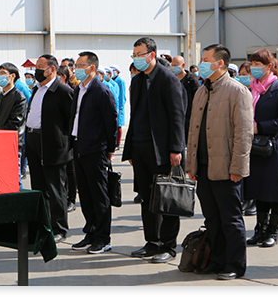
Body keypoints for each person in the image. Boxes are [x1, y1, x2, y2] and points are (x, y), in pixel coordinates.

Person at [186, 44, 254, 280]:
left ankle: (234, 264)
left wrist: (238, 167)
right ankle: (216, 259)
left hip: (226, 167)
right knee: (212, 218)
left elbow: (244, 134)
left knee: (230, 219)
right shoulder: (201, 91)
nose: (202, 63)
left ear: (220, 63)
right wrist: (191, 164)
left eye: (206, 59)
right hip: (204, 167)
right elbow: (193, 131)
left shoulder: (237, 91)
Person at [122, 37, 187, 263]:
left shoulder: (168, 79)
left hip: (162, 150)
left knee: (166, 199)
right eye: (134, 55)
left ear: (151, 55)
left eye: (139, 54)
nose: (136, 59)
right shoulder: (138, 80)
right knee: (147, 199)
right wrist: (130, 149)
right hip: (140, 148)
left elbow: (177, 117)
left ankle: (168, 246)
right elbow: (135, 116)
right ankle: (152, 242)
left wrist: (176, 148)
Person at [245, 49, 278, 248]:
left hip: (272, 147)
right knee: (260, 188)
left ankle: (273, 231)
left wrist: (260, 127)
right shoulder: (252, 88)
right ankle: (260, 229)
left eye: (258, 64)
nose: (254, 68)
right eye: (252, 64)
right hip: (255, 147)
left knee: (276, 189)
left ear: (269, 66)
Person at [70, 52, 118, 254]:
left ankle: (103, 238)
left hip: (95, 149)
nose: (76, 70)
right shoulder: (78, 90)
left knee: (99, 195)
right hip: (78, 146)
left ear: (92, 68)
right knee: (86, 194)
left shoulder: (101, 91)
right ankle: (90, 232)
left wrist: (110, 149)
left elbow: (111, 122)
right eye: (76, 66)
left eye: (81, 66)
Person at [25, 54, 73, 242]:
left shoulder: (62, 91)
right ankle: (43, 225)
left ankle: (59, 227)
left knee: (55, 188)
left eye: (40, 67)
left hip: (53, 145)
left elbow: (71, 121)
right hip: (34, 140)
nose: (36, 71)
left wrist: (65, 144)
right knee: (39, 188)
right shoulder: (36, 90)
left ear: (52, 69)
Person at [0, 62, 27, 186]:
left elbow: (15, 123)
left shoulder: (19, 97)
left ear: (12, 76)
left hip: (10, 143)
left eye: (3, 73)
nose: (0, 76)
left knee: (14, 178)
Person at [171, 55, 201, 140]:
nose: (173, 68)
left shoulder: (192, 81)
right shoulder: (171, 79)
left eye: (175, 65)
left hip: (188, 119)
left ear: (183, 65)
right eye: (172, 65)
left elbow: (198, 99)